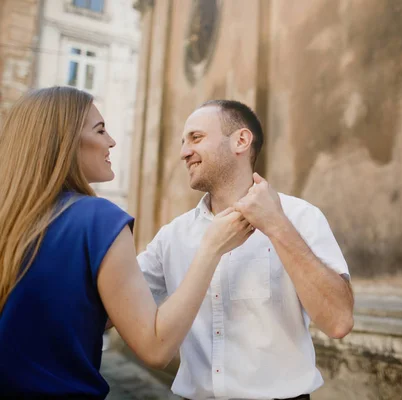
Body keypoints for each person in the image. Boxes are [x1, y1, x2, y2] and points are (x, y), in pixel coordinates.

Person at [0, 87, 253, 399]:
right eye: (100, 130)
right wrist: (212, 247)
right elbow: (156, 348)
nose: (111, 141)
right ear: (62, 140)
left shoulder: (11, 221)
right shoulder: (97, 220)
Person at [138, 100, 355, 400]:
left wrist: (277, 226)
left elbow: (339, 321)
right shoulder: (170, 237)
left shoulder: (301, 217)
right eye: (183, 142)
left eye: (196, 138)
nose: (183, 152)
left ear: (241, 140)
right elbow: (114, 306)